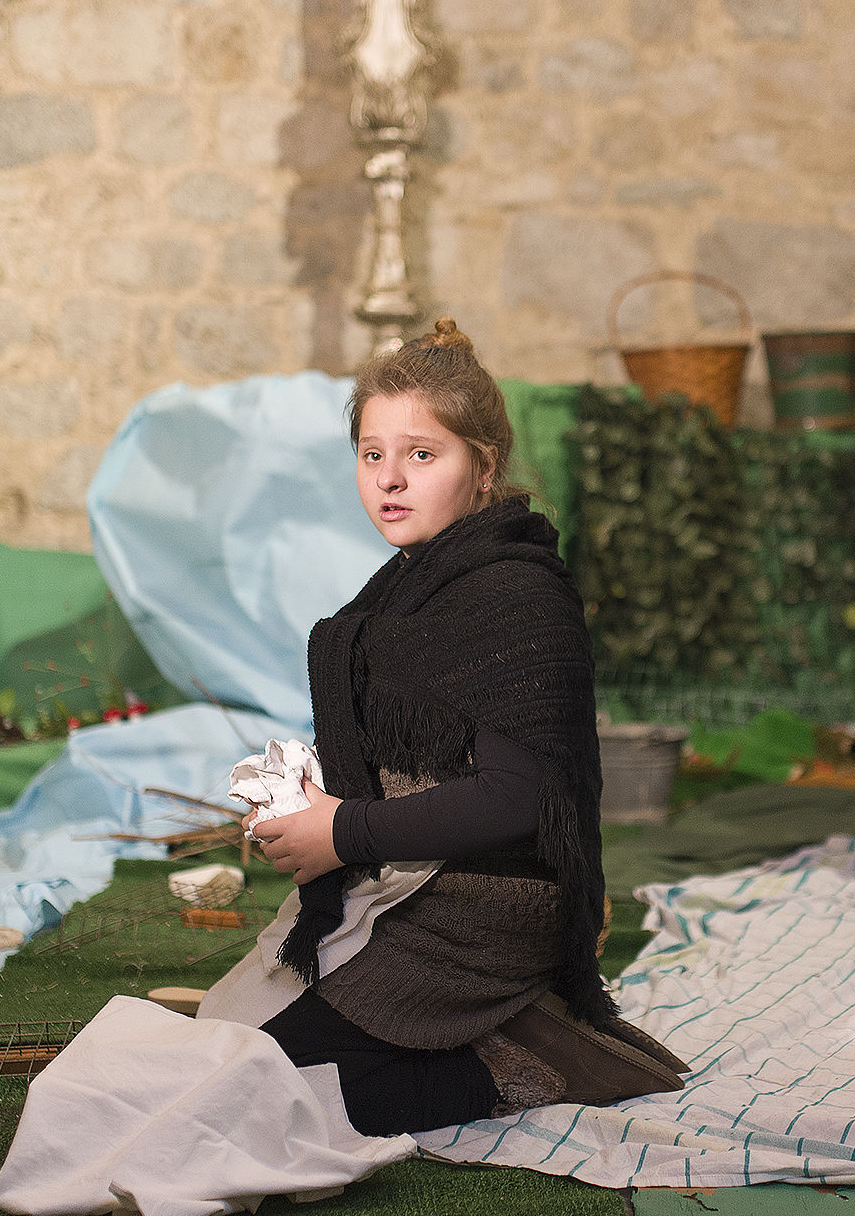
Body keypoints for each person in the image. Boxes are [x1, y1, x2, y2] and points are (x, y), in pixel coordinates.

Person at [221, 320, 686, 1137]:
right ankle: (462, 1032)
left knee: (273, 1089)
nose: (390, 479)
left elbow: (518, 799)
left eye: (422, 455)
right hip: (406, 879)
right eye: (372, 454)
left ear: (485, 467)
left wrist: (343, 829)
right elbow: (406, 755)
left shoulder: (514, 594)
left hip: (487, 905)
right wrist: (305, 806)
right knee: (227, 1036)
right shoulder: (409, 584)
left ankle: (517, 1059)